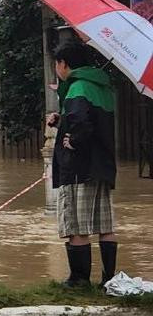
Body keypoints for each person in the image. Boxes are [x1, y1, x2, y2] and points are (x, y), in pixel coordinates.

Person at [48, 41, 118, 288]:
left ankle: (79, 279)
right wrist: (61, 120)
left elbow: (81, 123)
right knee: (104, 223)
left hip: (79, 167)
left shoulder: (78, 87)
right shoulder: (102, 87)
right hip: (103, 164)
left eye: (56, 64)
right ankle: (109, 279)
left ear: (63, 64)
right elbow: (94, 121)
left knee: (76, 225)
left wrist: (72, 139)